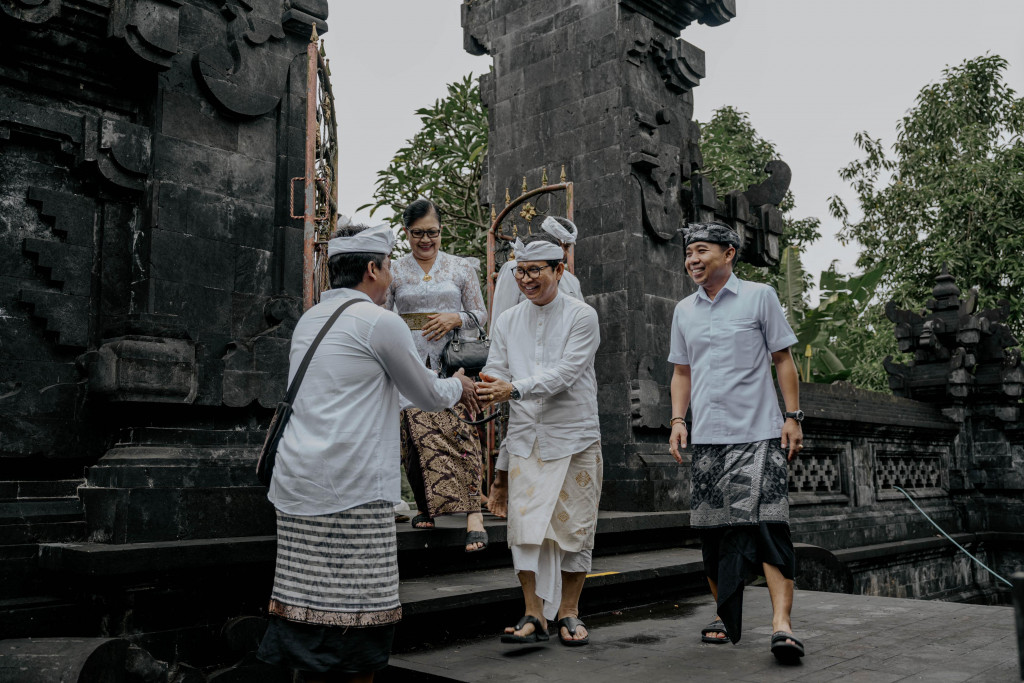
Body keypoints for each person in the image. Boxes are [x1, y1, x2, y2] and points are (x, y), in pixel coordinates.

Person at [257, 223, 480, 683]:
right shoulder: (381, 322)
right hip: (351, 488)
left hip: (297, 483)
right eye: (387, 268)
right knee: (360, 627)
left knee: (305, 617)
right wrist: (459, 384)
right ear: (374, 269)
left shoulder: (309, 320)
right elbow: (425, 393)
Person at [667, 221, 806, 664]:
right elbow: (681, 372)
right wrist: (676, 419)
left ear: (729, 254)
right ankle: (725, 614)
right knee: (713, 531)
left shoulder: (759, 296)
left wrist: (792, 416)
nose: (692, 260)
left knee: (767, 525)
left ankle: (781, 626)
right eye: (689, 253)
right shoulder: (683, 311)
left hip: (760, 432)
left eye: (701, 251)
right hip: (708, 438)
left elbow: (783, 359)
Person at [478, 233, 602, 647]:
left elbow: (566, 374)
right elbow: (496, 371)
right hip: (526, 438)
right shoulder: (508, 320)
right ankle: (533, 614)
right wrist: (486, 389)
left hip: (575, 437)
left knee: (575, 529)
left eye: (535, 271)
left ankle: (569, 612)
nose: (526, 280)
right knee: (525, 530)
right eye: (520, 271)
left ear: (559, 270)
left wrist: (511, 390)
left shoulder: (582, 316)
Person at [385, 198, 490, 552]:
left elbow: (480, 314)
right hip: (410, 362)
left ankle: (473, 512)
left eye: (432, 233)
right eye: (418, 234)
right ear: (406, 233)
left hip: (453, 362)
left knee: (459, 432)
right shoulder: (394, 271)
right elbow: (381, 316)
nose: (425, 240)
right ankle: (427, 507)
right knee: (414, 436)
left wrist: (454, 318)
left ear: (441, 231)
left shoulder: (461, 268)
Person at [489, 215, 583, 325]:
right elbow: (501, 316)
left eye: (567, 248)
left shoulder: (571, 280)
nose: (565, 253)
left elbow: (580, 317)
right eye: (563, 246)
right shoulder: (514, 269)